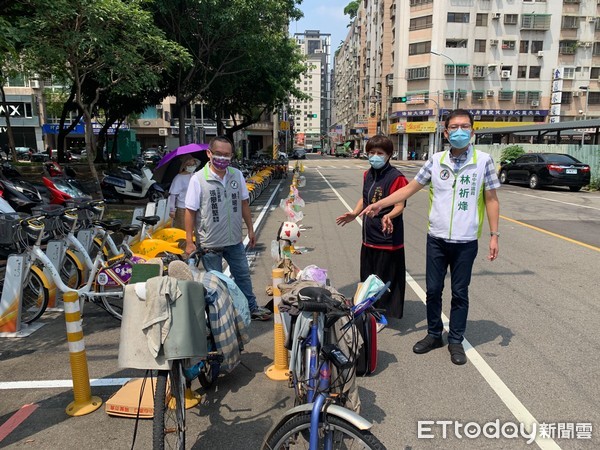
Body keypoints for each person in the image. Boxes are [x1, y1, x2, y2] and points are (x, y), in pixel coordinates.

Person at [361, 109, 500, 365]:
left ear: (472, 130)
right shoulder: (436, 160)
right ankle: (434, 334)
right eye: (454, 127)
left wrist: (494, 235)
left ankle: (455, 340)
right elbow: (410, 188)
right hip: (436, 238)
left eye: (465, 126)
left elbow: (491, 199)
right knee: (433, 290)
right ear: (446, 132)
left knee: (459, 292)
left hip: (466, 241)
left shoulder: (483, 161)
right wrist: (381, 205)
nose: (460, 131)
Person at [184, 136, 272, 321]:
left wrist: (250, 229)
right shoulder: (198, 179)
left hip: (234, 240)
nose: (223, 159)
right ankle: (220, 318)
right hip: (210, 244)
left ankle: (252, 307)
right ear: (209, 153)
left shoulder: (236, 175)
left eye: (227, 155)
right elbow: (190, 211)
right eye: (218, 154)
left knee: (243, 276)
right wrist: (189, 242)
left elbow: (244, 203)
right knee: (215, 285)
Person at [336, 135, 409, 325]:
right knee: (368, 276)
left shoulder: (397, 177)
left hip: (387, 238)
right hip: (368, 236)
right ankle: (368, 310)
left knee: (385, 278)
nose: (374, 156)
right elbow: (365, 199)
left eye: (379, 153)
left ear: (389, 155)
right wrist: (354, 213)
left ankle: (382, 315)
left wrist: (388, 216)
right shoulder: (367, 174)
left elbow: (400, 205)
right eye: (371, 153)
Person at [168, 155, 199, 230]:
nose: (192, 166)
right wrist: (172, 210)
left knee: (195, 231)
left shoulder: (196, 176)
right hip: (182, 208)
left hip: (195, 207)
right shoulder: (179, 178)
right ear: (184, 165)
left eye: (193, 165)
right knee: (183, 230)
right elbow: (173, 195)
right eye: (189, 165)